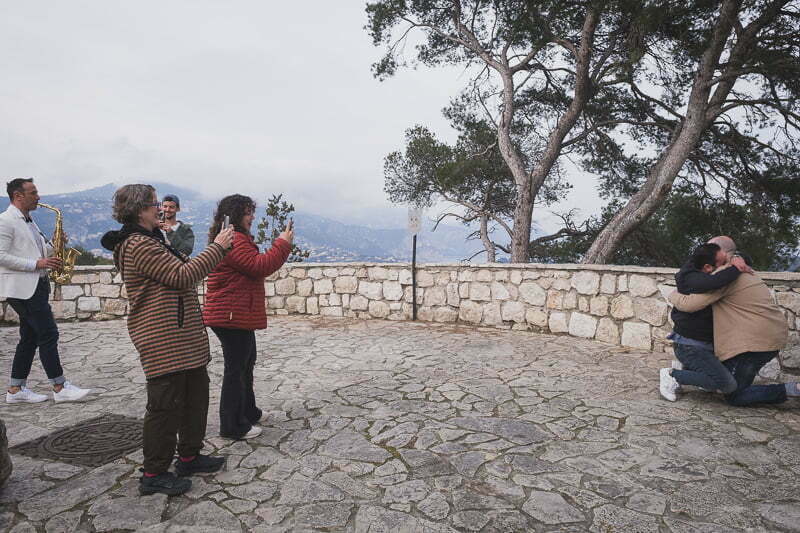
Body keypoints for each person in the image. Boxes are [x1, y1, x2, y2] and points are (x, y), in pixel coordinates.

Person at [101, 184, 234, 496]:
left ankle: (189, 456)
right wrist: (218, 247)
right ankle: (154, 472)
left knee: (194, 398)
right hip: (162, 338)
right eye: (153, 203)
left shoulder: (153, 239)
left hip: (181, 337)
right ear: (140, 209)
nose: (159, 207)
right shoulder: (138, 244)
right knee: (164, 407)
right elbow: (181, 275)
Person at [668, 237, 800, 407]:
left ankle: (793, 389)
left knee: (733, 393)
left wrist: (672, 294)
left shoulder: (725, 275)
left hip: (754, 343)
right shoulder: (745, 269)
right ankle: (694, 371)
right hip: (773, 337)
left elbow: (691, 304)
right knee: (724, 377)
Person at [203, 194, 293, 440]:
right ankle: (232, 426)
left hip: (235, 314)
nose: (252, 216)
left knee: (246, 363)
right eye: (247, 212)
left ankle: (248, 412)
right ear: (234, 215)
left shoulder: (236, 239)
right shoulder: (233, 240)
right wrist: (282, 243)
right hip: (229, 315)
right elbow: (259, 266)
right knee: (237, 369)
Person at [0, 178, 90, 403]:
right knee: (48, 333)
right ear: (18, 196)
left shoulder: (29, 221)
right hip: (22, 288)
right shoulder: (5, 221)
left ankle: (15, 390)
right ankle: (59, 387)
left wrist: (53, 244)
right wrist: (37, 264)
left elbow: (36, 251)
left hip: (36, 285)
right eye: (33, 192)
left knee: (29, 337)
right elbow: (1, 256)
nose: (38, 197)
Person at [659, 242, 748, 401]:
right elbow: (711, 283)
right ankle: (672, 375)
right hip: (690, 345)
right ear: (707, 267)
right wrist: (735, 268)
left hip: (704, 344)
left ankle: (687, 369)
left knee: (717, 379)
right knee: (727, 385)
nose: (725, 265)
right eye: (722, 263)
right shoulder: (691, 279)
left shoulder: (702, 267)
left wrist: (737, 258)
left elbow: (743, 258)